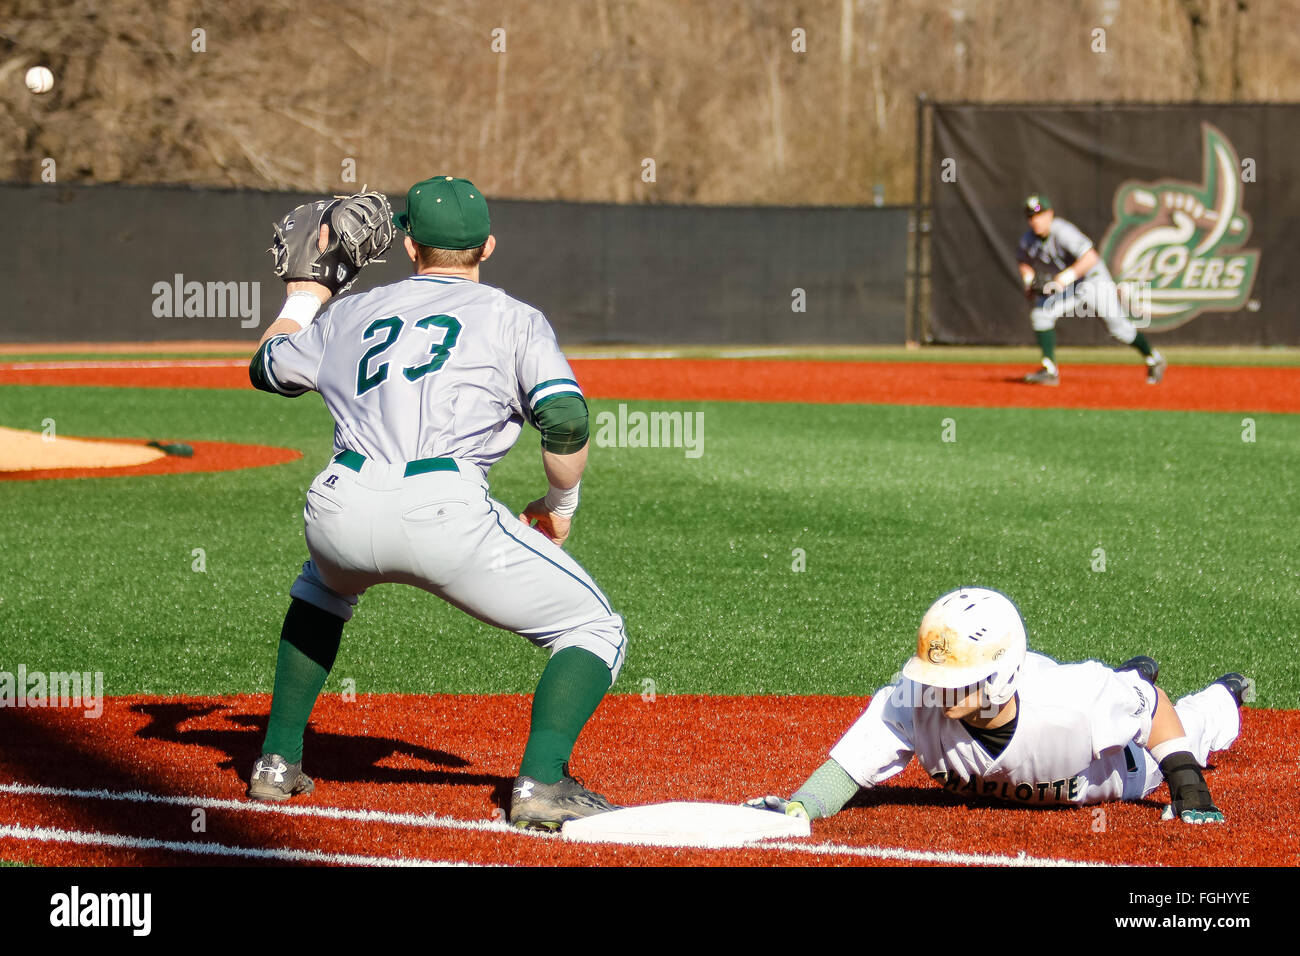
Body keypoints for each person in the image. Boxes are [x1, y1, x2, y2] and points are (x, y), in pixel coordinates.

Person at [245, 176, 627, 830]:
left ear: (410, 245)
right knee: (595, 630)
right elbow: (565, 419)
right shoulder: (514, 319)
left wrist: (307, 295)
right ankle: (541, 783)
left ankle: (277, 763)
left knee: (320, 592)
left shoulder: (349, 312)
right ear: (489, 246)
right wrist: (560, 503)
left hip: (339, 503)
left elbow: (268, 367)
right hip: (442, 509)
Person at [747, 587, 1245, 824]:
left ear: (1001, 673)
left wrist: (1188, 787)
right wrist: (801, 806)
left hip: (1118, 769)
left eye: (956, 680)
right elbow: (851, 765)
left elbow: (1155, 708)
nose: (939, 690)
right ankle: (1128, 679)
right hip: (1087, 705)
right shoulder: (916, 696)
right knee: (1121, 694)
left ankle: (1223, 695)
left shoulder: (1071, 700)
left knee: (1191, 725)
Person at [1017, 194, 1167, 386]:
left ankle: (1153, 358)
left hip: (1093, 281)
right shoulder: (1028, 239)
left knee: (1119, 329)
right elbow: (1023, 261)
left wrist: (1066, 277)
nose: (1035, 221)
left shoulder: (1062, 231)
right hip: (1071, 286)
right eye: (1031, 217)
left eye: (1040, 215)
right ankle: (1049, 370)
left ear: (1050, 214)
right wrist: (1028, 281)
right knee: (1041, 314)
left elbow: (1090, 258)